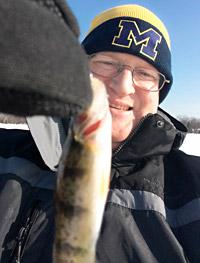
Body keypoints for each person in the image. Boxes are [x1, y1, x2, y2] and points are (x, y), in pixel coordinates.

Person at [0, 3, 200, 263]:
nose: (123, 86)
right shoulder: (6, 154)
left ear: (159, 91)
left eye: (145, 73)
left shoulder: (192, 189)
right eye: (106, 63)